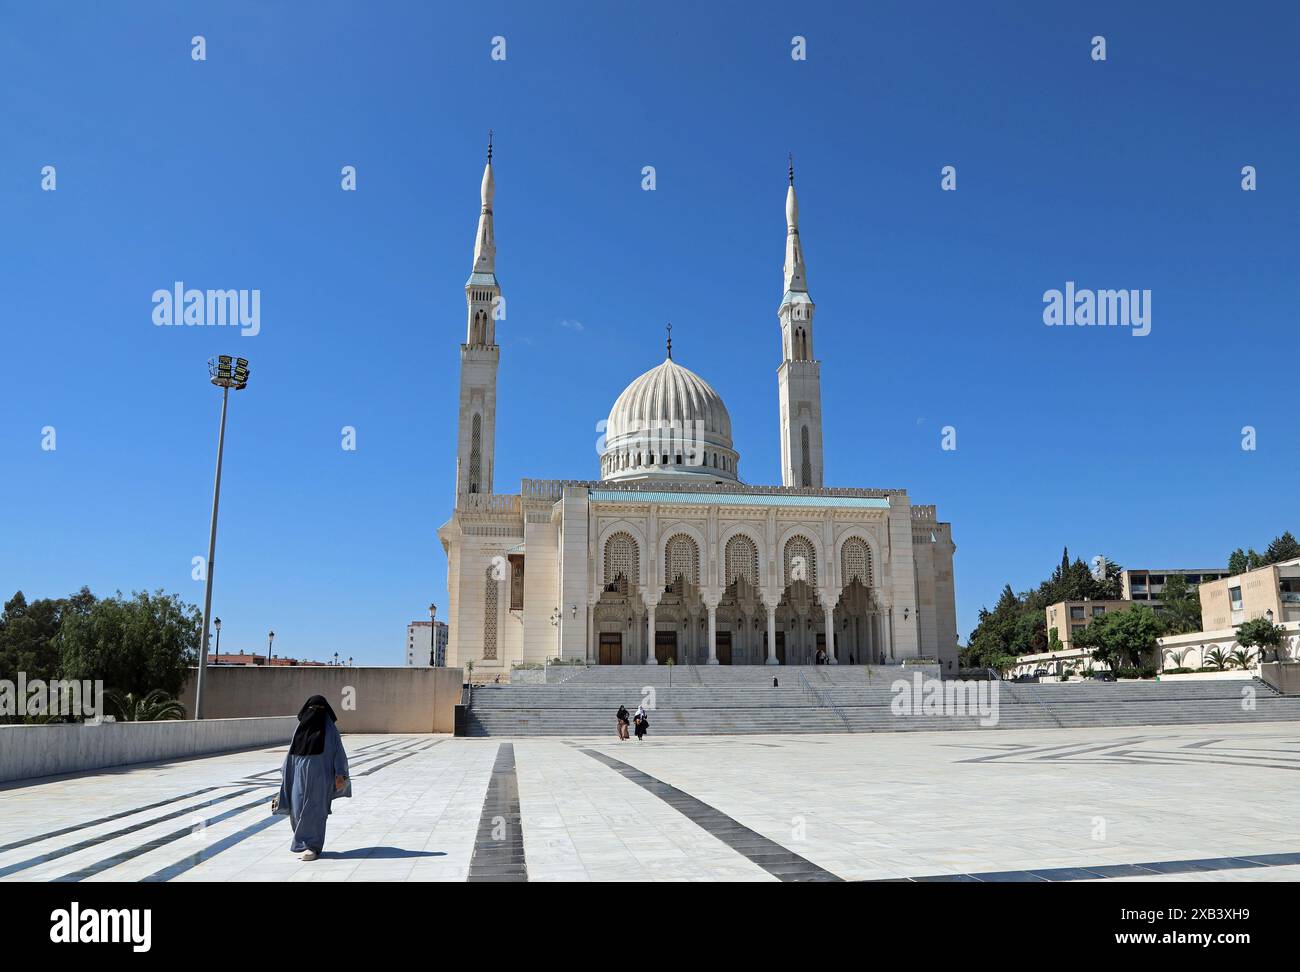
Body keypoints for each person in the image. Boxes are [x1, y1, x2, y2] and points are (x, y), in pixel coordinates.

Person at [274, 694, 351, 861]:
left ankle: (312, 846)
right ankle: (302, 843)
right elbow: (290, 755)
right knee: (297, 809)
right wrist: (285, 775)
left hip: (321, 778)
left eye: (319, 709)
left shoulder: (330, 730)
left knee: (315, 811)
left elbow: (338, 752)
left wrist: (339, 774)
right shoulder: (300, 729)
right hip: (297, 778)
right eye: (312, 709)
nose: (315, 712)